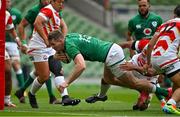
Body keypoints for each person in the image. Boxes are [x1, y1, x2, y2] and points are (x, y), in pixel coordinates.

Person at [48, 30, 172, 110]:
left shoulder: (69, 45)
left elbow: (81, 65)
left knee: (134, 83)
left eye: (54, 45)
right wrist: (57, 55)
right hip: (110, 51)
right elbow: (69, 57)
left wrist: (66, 82)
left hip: (111, 55)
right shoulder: (69, 37)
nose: (53, 48)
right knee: (107, 79)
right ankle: (101, 96)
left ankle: (166, 93)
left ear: (60, 40)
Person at [24, 0, 80, 108]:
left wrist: (62, 42)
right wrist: (45, 39)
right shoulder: (48, 10)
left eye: (63, 2)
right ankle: (31, 94)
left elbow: (64, 26)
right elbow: (37, 22)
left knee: (58, 69)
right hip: (38, 47)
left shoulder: (57, 12)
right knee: (44, 76)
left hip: (50, 47)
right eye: (59, 2)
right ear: (53, 2)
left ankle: (65, 97)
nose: (61, 4)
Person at [15, 0, 59, 105]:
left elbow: (61, 25)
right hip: (38, 44)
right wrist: (24, 43)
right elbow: (21, 25)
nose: (47, 0)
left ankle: (21, 90)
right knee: (45, 73)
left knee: (40, 72)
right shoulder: (34, 11)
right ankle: (50, 96)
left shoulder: (54, 9)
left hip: (49, 44)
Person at [146, 5, 180, 114]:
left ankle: (174, 104)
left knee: (177, 82)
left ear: (174, 14)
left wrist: (148, 63)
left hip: (154, 58)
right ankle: (171, 104)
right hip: (167, 58)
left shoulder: (164, 24)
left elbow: (150, 44)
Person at [6, 0, 25, 93]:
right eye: (5, 1)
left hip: (12, 43)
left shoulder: (16, 13)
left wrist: (21, 41)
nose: (7, 3)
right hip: (1, 42)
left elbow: (21, 27)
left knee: (16, 64)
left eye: (8, 1)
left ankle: (22, 90)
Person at [5, 10, 22, 107]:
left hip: (2, 45)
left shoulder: (7, 14)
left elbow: (11, 29)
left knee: (7, 70)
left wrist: (18, 40)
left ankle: (6, 100)